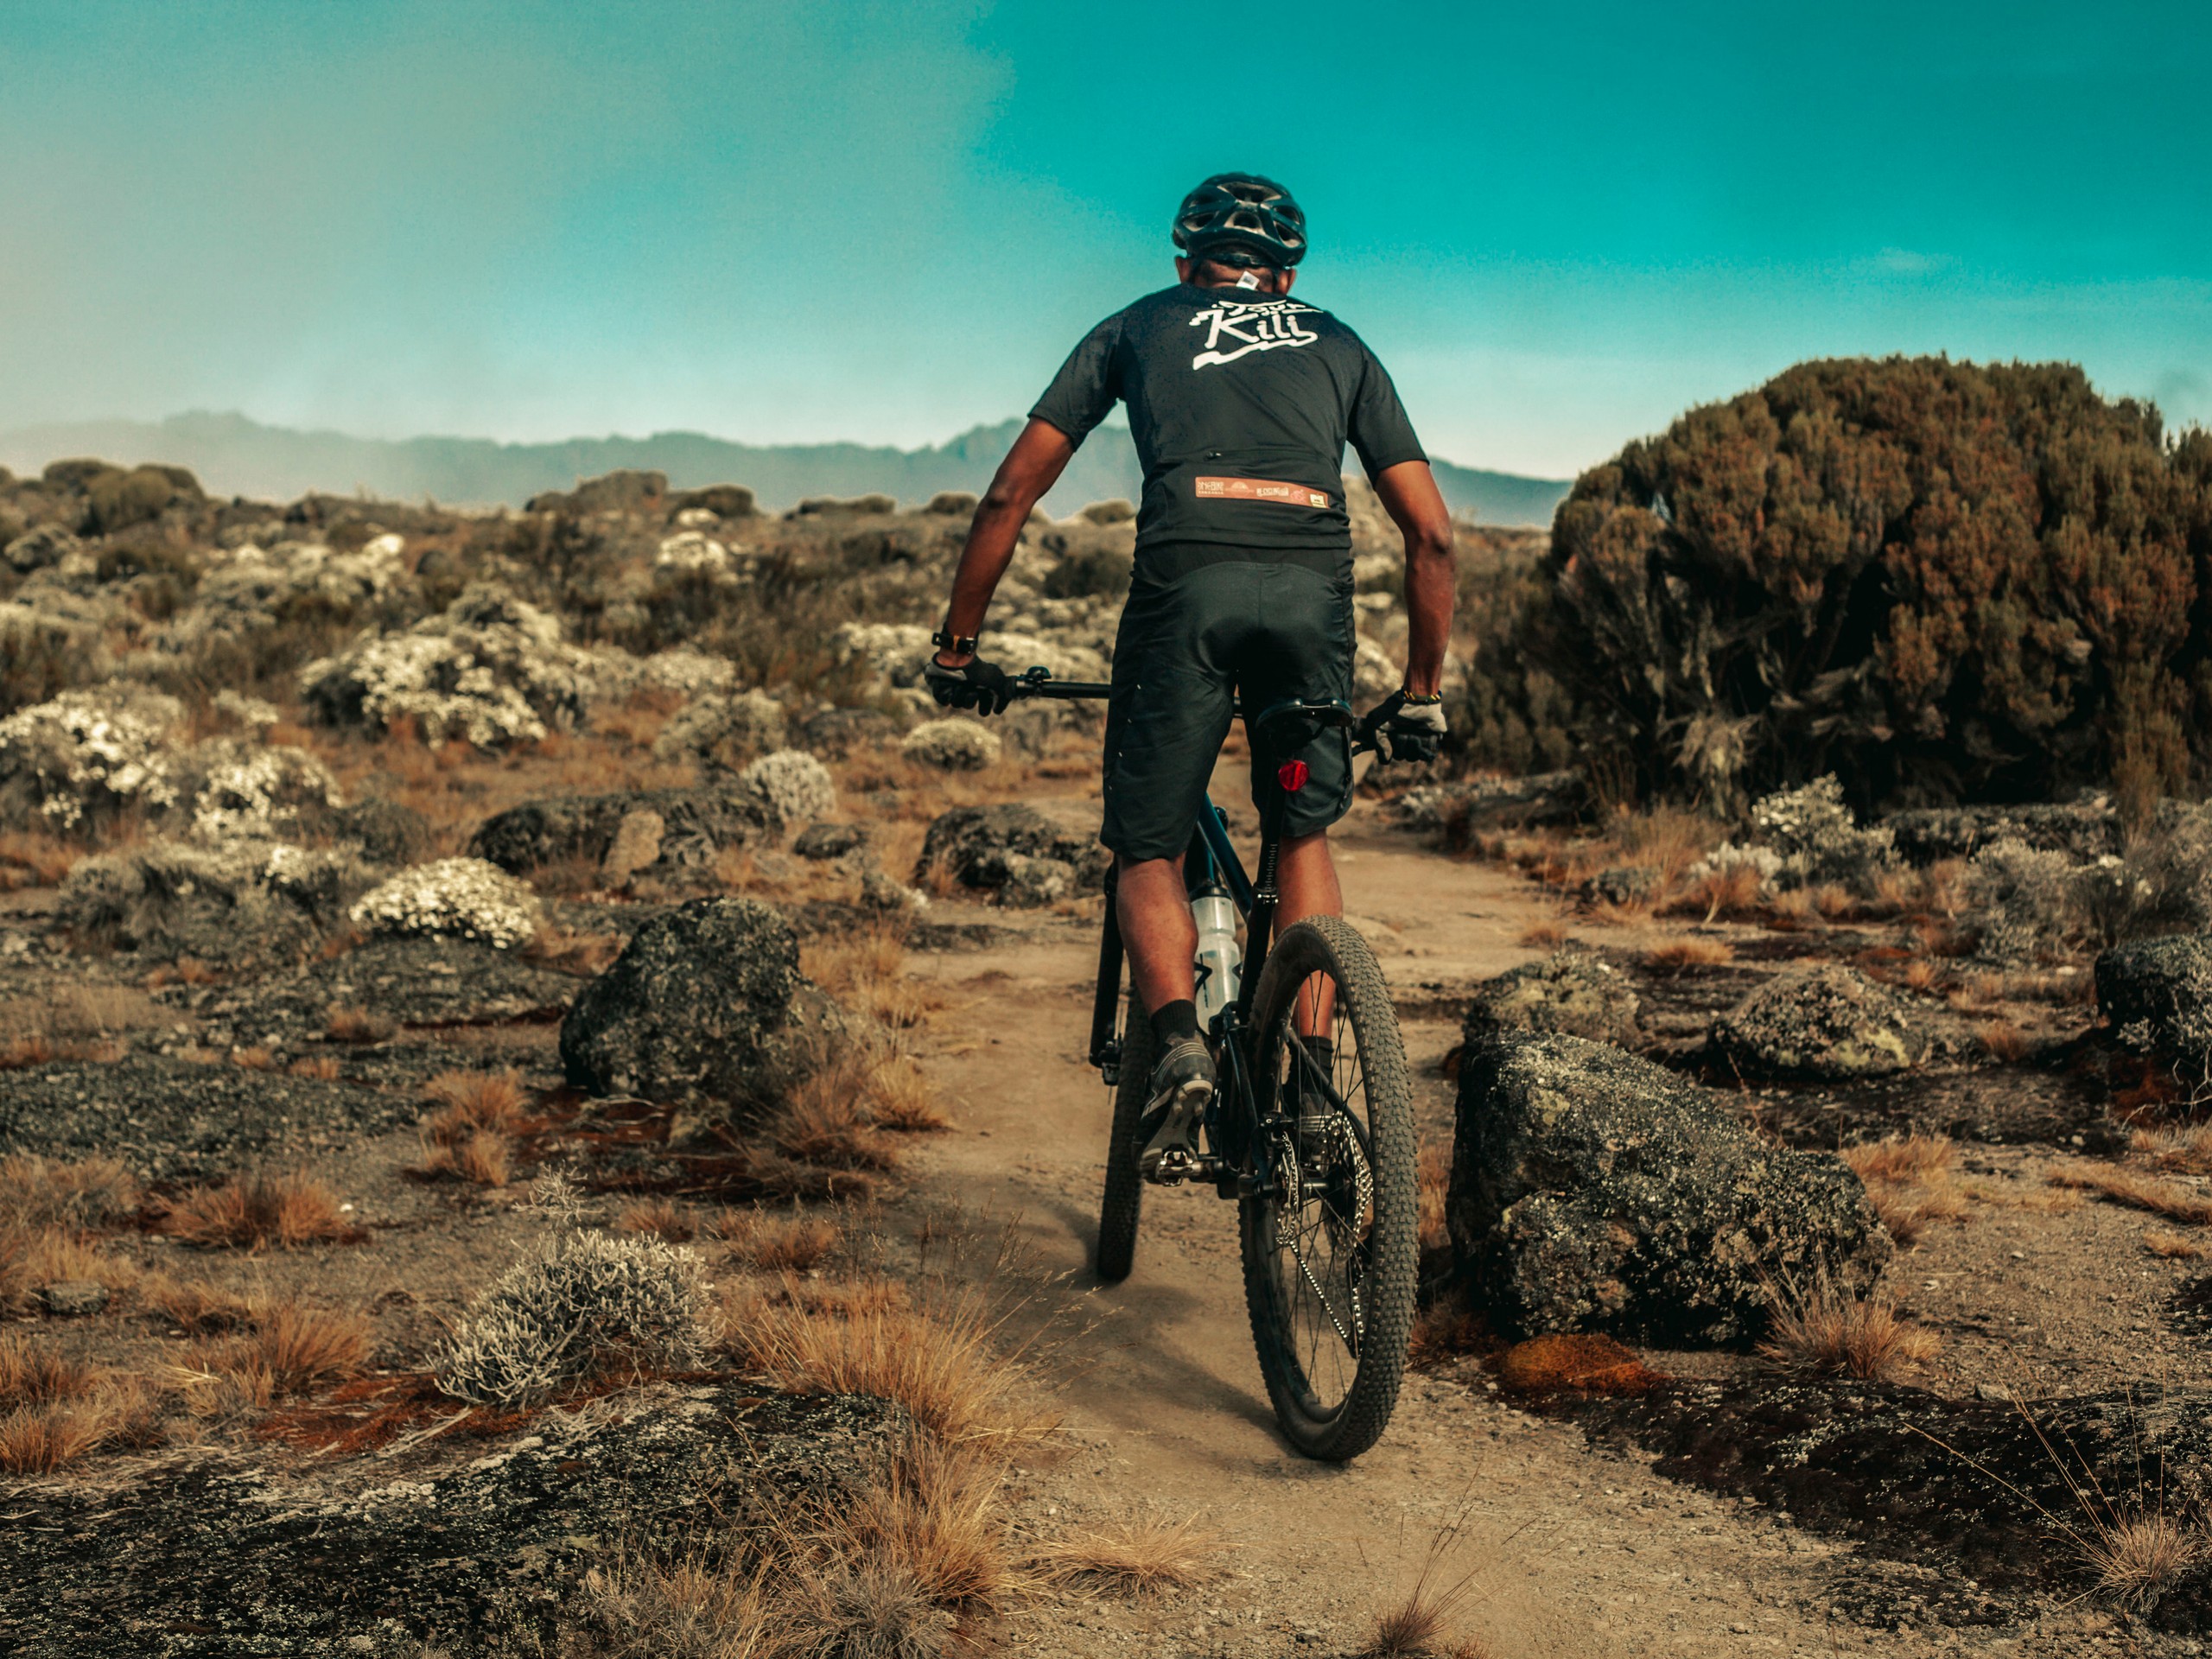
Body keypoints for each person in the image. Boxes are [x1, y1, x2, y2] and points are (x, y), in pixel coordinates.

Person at [925, 172, 1454, 1177]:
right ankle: (1305, 1085)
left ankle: (1176, 1045)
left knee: (1147, 846)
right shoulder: (1340, 343)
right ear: (1289, 271)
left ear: (1183, 261)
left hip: (1185, 601)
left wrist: (958, 649)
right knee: (1301, 827)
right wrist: (1422, 694)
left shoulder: (1133, 326)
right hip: (1310, 605)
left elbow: (1006, 496)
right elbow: (1430, 536)